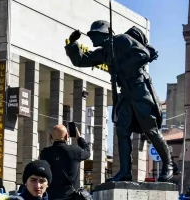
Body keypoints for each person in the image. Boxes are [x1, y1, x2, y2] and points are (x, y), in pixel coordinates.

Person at [65, 22, 174, 182]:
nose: (92, 38)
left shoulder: (121, 40)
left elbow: (143, 54)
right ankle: (124, 171)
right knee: (122, 130)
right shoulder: (104, 52)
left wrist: (121, 67)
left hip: (139, 88)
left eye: (94, 35)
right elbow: (81, 61)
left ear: (104, 34)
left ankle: (168, 164)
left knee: (150, 129)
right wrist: (72, 44)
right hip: (125, 93)